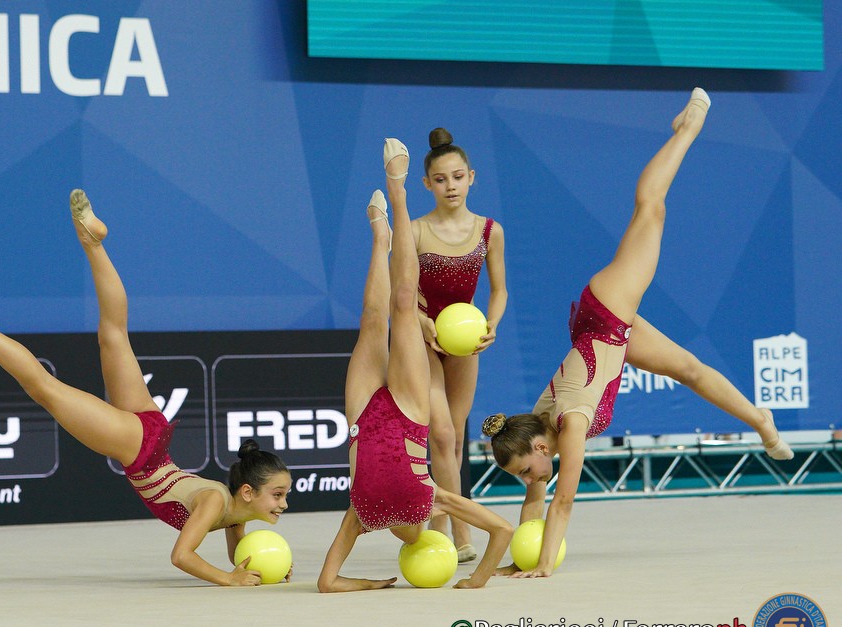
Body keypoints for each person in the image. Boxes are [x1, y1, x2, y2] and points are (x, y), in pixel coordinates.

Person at [482, 89, 793, 579]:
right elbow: (536, 500)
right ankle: (761, 420)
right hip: (604, 333)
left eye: (523, 471)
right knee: (690, 370)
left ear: (540, 449)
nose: (527, 481)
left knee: (650, 208)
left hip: (606, 311)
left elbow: (563, 502)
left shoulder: (570, 425)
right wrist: (515, 560)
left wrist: (542, 567)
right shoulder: (538, 429)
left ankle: (688, 127)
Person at [0, 189, 293, 587]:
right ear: (247, 492)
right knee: (44, 388)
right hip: (140, 450)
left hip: (152, 436)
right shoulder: (215, 503)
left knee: (113, 334)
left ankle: (92, 241)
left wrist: (261, 568)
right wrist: (229, 580)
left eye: (283, 495)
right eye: (278, 494)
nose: (284, 503)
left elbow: (238, 556)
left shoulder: (233, 515)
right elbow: (182, 556)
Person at [316, 139, 514, 593]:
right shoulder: (430, 499)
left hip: (362, 414)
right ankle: (398, 195)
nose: (411, 537)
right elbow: (502, 530)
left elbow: (328, 582)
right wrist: (475, 582)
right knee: (403, 303)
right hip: (409, 408)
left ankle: (381, 239)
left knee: (372, 321)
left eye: (458, 177)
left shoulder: (363, 515)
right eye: (442, 179)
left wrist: (370, 584)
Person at [413, 128, 508, 563]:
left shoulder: (490, 231)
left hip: (466, 340)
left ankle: (439, 524)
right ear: (427, 184)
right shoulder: (415, 231)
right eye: (440, 179)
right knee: (442, 433)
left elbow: (499, 290)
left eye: (457, 177)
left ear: (471, 177)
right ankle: (459, 533)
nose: (450, 186)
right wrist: (421, 322)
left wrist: (492, 324)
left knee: (454, 439)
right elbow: (398, 292)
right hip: (422, 339)